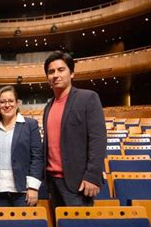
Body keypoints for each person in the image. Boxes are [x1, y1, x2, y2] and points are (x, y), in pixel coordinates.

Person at [43, 51, 106, 207]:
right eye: (51, 72)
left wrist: (92, 176)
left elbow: (98, 139)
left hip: (77, 182)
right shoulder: (48, 107)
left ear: (71, 73)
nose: (55, 75)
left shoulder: (88, 98)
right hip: (52, 181)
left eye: (61, 70)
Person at [0, 85, 43, 207]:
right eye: (2, 102)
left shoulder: (30, 125)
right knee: (2, 226)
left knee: (23, 226)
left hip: (23, 191)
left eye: (10, 101)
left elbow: (37, 157)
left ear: (17, 103)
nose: (7, 105)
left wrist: (33, 187)